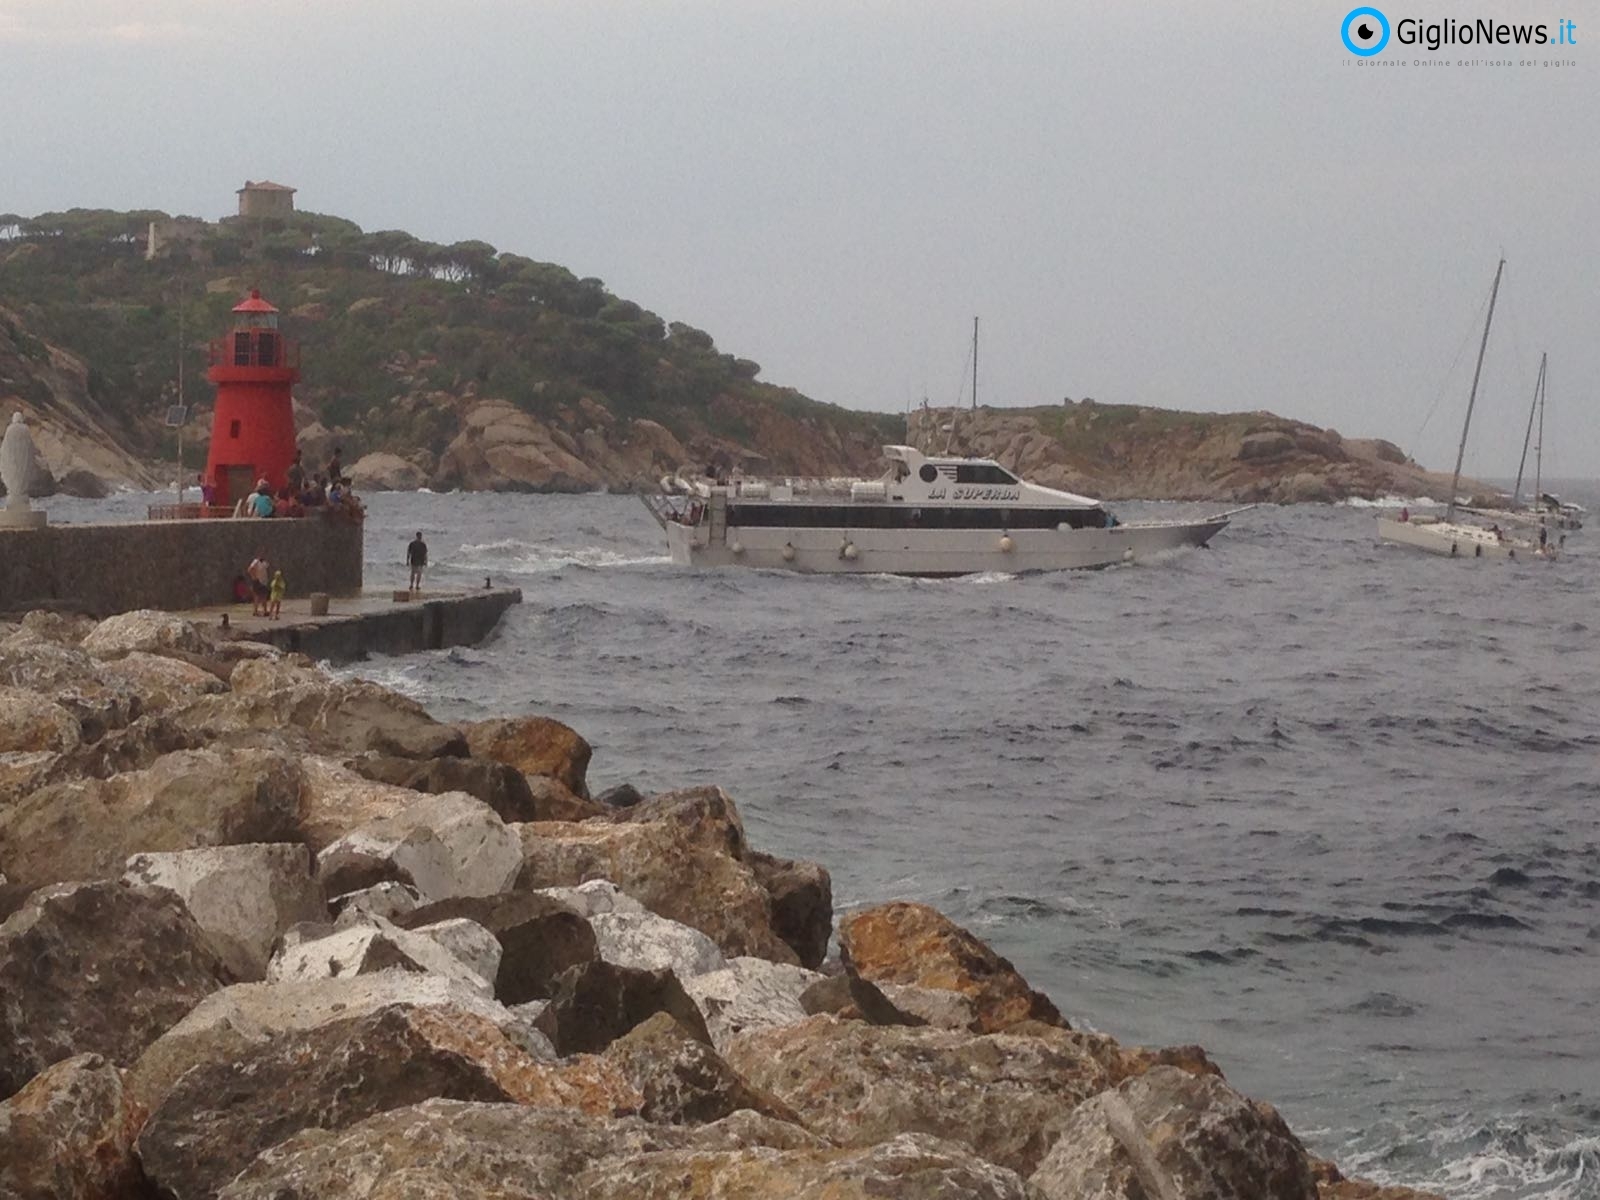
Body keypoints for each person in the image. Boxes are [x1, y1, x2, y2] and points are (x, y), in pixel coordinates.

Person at [247, 551, 270, 617]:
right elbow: (250, 569)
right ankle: (255, 611)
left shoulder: (264, 562)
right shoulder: (256, 561)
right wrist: (254, 577)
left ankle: (265, 611)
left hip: (264, 581)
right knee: (257, 596)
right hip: (258, 581)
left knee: (264, 596)